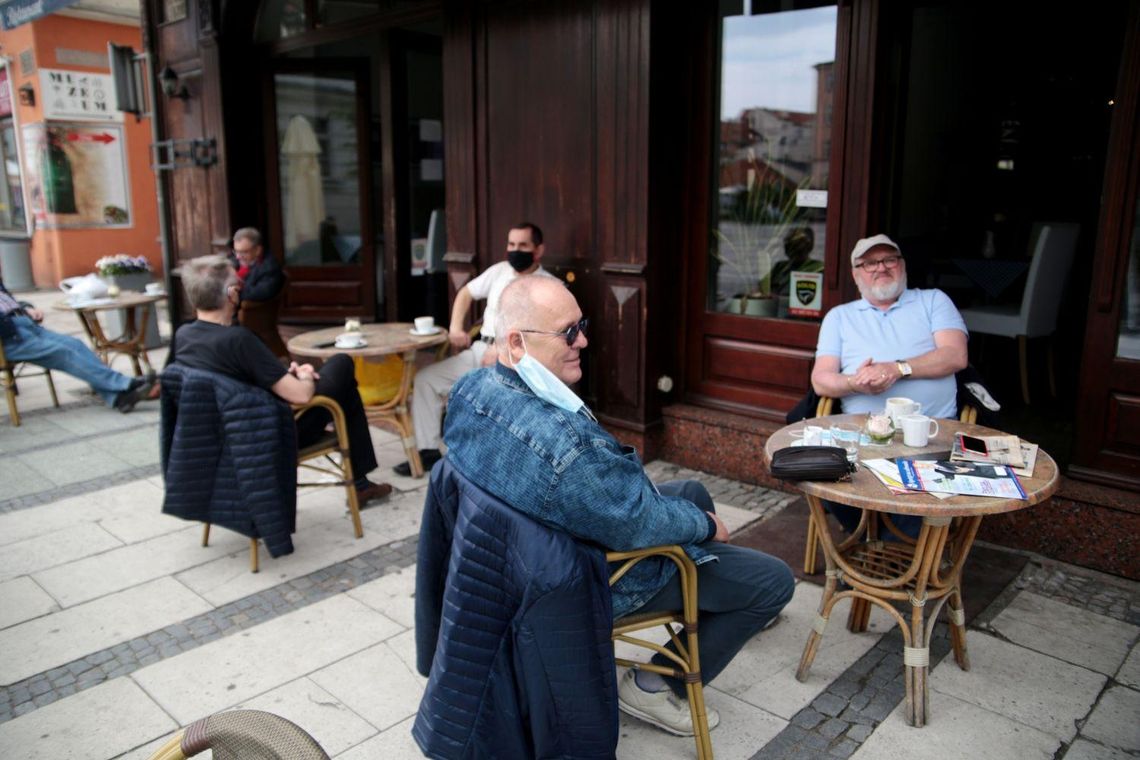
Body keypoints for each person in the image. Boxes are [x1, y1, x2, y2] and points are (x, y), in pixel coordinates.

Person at [444, 275, 794, 737]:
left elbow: (607, 499)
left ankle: (717, 613)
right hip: (588, 579)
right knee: (774, 580)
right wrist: (705, 527)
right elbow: (635, 523)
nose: (583, 340)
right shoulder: (566, 453)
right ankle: (652, 685)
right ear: (516, 341)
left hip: (518, 562)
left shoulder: (471, 391)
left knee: (689, 490)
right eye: (568, 332)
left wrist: (689, 516)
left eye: (581, 325)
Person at [171, 255, 391, 505]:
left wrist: (287, 375)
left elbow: (238, 383)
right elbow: (300, 396)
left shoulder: (184, 336)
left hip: (226, 437)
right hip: (272, 436)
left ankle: (361, 483)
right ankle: (360, 483)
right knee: (341, 365)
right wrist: (306, 376)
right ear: (231, 293)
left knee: (340, 386)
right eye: (239, 286)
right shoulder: (238, 340)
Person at [811, 233, 969, 536]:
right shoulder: (840, 317)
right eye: (869, 263)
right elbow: (821, 380)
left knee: (920, 494)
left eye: (888, 259)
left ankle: (884, 552)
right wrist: (856, 384)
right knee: (824, 476)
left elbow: (955, 355)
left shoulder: (932, 300)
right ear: (856, 274)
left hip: (929, 434)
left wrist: (897, 369)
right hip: (859, 436)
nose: (880, 267)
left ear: (902, 265)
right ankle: (879, 545)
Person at [398, 221, 557, 476]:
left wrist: (504, 350)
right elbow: (465, 294)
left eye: (523, 245)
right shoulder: (499, 271)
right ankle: (427, 452)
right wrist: (455, 327)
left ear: (538, 250)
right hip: (479, 349)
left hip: (516, 361)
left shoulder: (550, 286)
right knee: (426, 379)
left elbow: (545, 335)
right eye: (511, 244)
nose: (515, 250)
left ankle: (486, 464)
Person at [0, 276, 154, 413]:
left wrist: (27, 308)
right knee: (63, 352)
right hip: (8, 339)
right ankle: (126, 384)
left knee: (75, 344)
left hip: (24, 324)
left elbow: (9, 302)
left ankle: (119, 398)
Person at [761, 226, 823, 296]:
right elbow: (762, 288)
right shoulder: (780, 267)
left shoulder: (818, 268)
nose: (795, 249)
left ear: (808, 247)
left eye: (799, 244)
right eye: (789, 245)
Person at [230, 227, 285, 305]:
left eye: (244, 252)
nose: (238, 257)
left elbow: (263, 292)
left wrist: (235, 293)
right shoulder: (232, 261)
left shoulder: (269, 268)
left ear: (258, 250)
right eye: (236, 251)